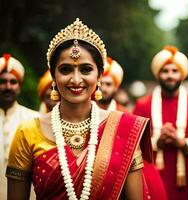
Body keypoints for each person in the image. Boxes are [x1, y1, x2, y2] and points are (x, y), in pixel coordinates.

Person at [6, 18, 152, 200]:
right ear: (53, 75)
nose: (75, 79)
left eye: (86, 69)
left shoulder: (124, 130)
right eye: (65, 70)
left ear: (99, 75)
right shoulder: (27, 132)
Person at [134, 46, 188, 200]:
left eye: (175, 71)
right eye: (165, 71)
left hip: (187, 179)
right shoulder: (142, 105)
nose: (170, 76)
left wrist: (182, 143)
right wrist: (155, 143)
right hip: (153, 175)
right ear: (158, 74)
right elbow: (133, 143)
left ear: (182, 74)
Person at [0, 54, 40, 199]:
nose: (8, 87)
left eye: (13, 82)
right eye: (2, 81)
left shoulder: (35, 119)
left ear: (20, 86)